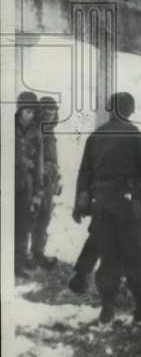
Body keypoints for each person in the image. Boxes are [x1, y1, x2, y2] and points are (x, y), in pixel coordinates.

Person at [72, 91, 141, 325]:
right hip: (127, 205)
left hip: (101, 205)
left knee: (109, 255)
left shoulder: (96, 136)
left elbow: (85, 172)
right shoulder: (134, 135)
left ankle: (107, 307)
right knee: (137, 254)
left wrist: (81, 203)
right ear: (129, 110)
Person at [69, 149, 141, 294]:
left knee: (99, 238)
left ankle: (84, 276)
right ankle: (87, 278)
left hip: (114, 199)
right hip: (115, 199)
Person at [30, 96, 63, 269]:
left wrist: (57, 178)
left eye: (53, 111)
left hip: (49, 180)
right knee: (31, 216)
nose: (50, 114)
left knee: (44, 217)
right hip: (35, 181)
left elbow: (53, 158)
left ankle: (37, 253)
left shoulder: (50, 132)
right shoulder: (34, 131)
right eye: (47, 111)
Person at [14, 92, 43, 277]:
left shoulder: (36, 133)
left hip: (26, 185)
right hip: (8, 184)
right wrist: (21, 160)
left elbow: (39, 164)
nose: (29, 115)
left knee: (24, 223)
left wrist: (37, 192)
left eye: (32, 112)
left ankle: (19, 259)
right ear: (19, 111)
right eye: (26, 111)